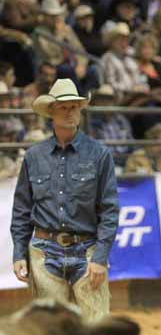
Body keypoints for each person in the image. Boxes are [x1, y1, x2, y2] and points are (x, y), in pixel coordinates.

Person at [10, 78, 119, 321]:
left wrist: (101, 258)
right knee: (50, 327)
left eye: (74, 107)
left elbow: (109, 211)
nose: (70, 112)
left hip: (88, 250)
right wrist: (19, 253)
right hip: (43, 252)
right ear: (51, 111)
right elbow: (21, 210)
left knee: (97, 323)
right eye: (63, 107)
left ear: (81, 110)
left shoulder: (99, 154)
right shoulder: (33, 156)